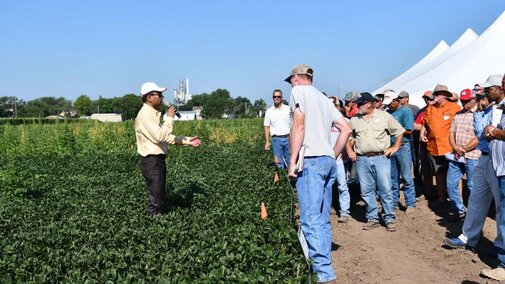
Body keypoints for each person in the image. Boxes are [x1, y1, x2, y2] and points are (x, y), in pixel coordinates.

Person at [286, 64, 351, 283]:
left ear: (296, 78)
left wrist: (292, 162)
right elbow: (346, 128)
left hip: (311, 161)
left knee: (310, 219)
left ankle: (322, 273)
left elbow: (299, 125)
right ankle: (322, 266)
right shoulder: (324, 99)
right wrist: (332, 154)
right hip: (327, 161)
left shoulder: (298, 92)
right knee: (322, 218)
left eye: (291, 81)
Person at [444, 76, 503, 266]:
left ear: (498, 88)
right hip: (483, 158)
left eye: (488, 90)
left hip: (496, 160)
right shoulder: (487, 109)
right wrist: (479, 110)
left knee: (500, 204)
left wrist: (491, 129)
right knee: (476, 198)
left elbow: (489, 134)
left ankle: (500, 245)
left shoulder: (500, 109)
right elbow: (480, 133)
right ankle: (468, 237)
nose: (484, 94)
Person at [135, 82, 202, 215]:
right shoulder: (144, 115)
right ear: (149, 97)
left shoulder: (152, 115)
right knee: (157, 201)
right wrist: (170, 118)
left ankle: (156, 224)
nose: (162, 97)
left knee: (159, 196)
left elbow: (167, 137)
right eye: (159, 94)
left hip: (156, 161)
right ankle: (152, 227)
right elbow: (160, 136)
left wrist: (187, 140)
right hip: (152, 161)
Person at [346, 92, 405, 231]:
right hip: (362, 159)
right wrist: (350, 150)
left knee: (385, 188)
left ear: (369, 103)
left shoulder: (384, 116)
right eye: (357, 104)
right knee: (366, 190)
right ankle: (372, 217)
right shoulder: (355, 119)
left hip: (381, 158)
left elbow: (399, 131)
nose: (358, 106)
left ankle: (389, 217)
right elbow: (347, 136)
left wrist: (395, 147)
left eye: (361, 104)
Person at [480, 74, 505, 280]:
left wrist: (496, 132)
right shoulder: (499, 107)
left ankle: (504, 266)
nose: (487, 93)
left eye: (490, 88)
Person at [421, 84, 461, 206]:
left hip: (450, 147)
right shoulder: (430, 108)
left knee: (455, 174)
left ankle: (458, 200)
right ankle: (442, 198)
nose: (435, 97)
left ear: (444, 95)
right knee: (439, 173)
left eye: (437, 94)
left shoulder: (455, 108)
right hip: (434, 147)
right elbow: (424, 123)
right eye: (435, 94)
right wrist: (423, 134)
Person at [445, 88, 479, 221]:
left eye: (467, 100)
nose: (465, 103)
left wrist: (463, 149)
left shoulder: (478, 114)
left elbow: (479, 137)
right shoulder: (458, 114)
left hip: (472, 155)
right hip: (457, 155)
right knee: (451, 183)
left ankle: (473, 214)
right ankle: (458, 210)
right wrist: (455, 147)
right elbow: (451, 133)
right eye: (463, 100)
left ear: (474, 99)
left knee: (472, 186)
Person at [383, 91, 416, 213]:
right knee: (392, 177)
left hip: (403, 147)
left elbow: (409, 130)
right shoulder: (388, 113)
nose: (389, 106)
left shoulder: (405, 112)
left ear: (396, 101)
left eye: (390, 103)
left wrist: (396, 131)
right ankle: (394, 202)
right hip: (390, 147)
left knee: (406, 176)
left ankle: (410, 203)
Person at [264, 89, 291, 168]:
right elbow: (267, 127)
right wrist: (267, 142)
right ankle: (280, 179)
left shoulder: (288, 109)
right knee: (278, 162)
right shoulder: (269, 111)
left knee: (291, 162)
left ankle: (291, 179)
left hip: (288, 138)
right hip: (276, 140)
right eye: (275, 96)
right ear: (272, 98)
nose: (277, 98)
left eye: (278, 96)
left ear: (281, 97)